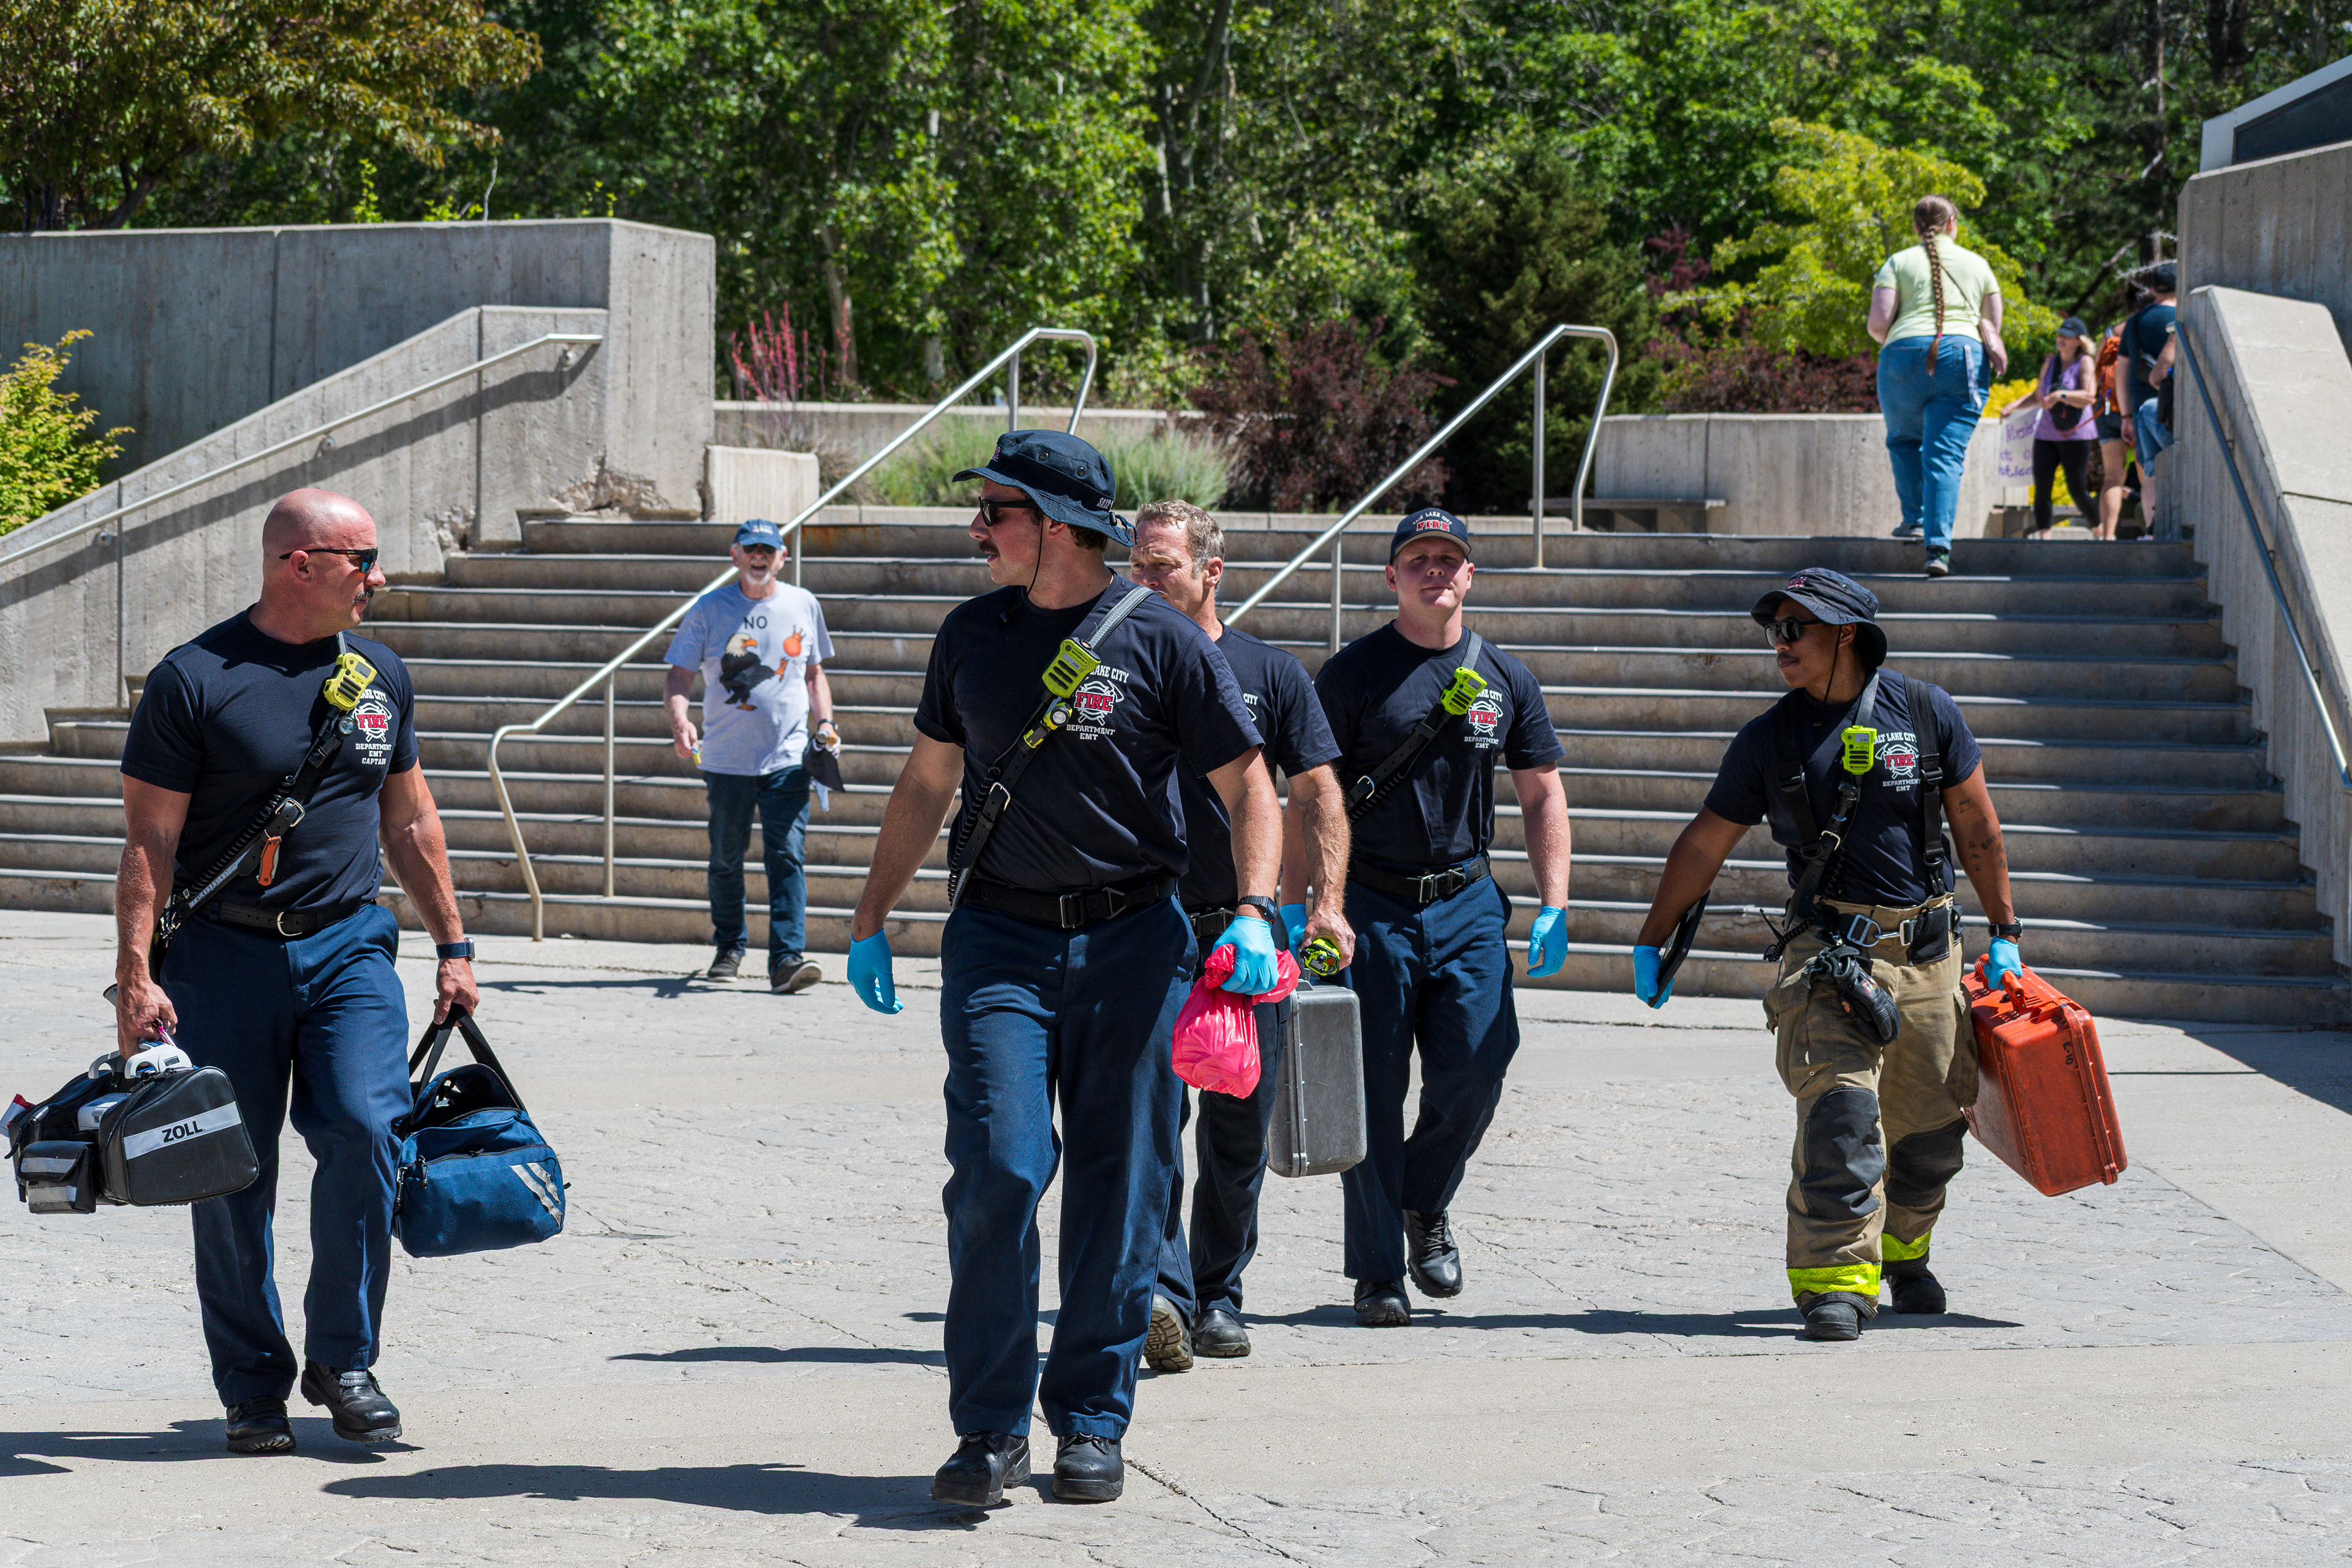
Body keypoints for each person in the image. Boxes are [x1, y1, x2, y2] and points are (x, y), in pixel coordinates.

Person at [841, 431, 1282, 1507]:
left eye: (994, 511)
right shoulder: (971, 636)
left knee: (1119, 1187)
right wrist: (867, 918)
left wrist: (1260, 912)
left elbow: (1250, 783)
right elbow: (924, 783)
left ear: (1055, 526)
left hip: (1138, 942)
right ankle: (989, 1429)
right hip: (1000, 940)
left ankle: (1090, 1417)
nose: (977, 529)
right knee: (998, 1168)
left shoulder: (1165, 644)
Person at [111, 487, 480, 1455]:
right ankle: (252, 1384)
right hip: (222, 953)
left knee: (368, 1130)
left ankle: (344, 1358)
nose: (379, 577)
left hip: (349, 942)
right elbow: (150, 838)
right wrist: (137, 975)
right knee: (230, 1172)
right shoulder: (194, 678)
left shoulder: (379, 674)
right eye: (364, 559)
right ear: (298, 565)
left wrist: (452, 945)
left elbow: (410, 819)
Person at [1629, 568, 2026, 1343]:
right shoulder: (1768, 738)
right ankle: (1834, 1284)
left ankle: (1902, 1254)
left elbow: (1978, 826)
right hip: (1829, 959)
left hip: (1928, 953)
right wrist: (1652, 940)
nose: (1778, 645)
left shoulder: (1926, 711)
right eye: (1772, 630)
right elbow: (1704, 843)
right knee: (1840, 1116)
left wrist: (2007, 931)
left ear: (1846, 633)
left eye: (1794, 629)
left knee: (1931, 1136)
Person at [1311, 508, 1572, 1329]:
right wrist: (1311, 903)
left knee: (1479, 1065)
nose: (1435, 572)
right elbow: (1315, 799)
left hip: (1465, 901)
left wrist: (1555, 901)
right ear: (1391, 577)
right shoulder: (1353, 675)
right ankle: (1377, 1272)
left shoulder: (1505, 677)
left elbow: (1541, 793)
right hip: (1374, 904)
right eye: (1418, 559)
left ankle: (1424, 1201)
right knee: (1374, 1088)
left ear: (1469, 576)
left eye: (1449, 560)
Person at [1123, 499, 1355, 1370]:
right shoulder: (1118, 658)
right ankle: (1164, 1294)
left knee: (1236, 1127)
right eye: (1136, 566)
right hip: (1142, 926)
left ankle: (1219, 1291)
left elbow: (1318, 792)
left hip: (1243, 934)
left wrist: (1325, 904)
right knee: (1149, 1119)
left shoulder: (1270, 671)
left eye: (1161, 567)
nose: (1143, 581)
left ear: (1210, 571)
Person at [664, 518, 837, 993]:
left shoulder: (804, 603)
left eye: (769, 549)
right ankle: (730, 946)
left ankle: (786, 959)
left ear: (782, 557)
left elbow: (813, 675)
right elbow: (679, 675)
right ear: (735, 555)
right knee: (725, 857)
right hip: (724, 761)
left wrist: (825, 724)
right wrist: (680, 720)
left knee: (787, 855)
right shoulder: (709, 608)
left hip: (788, 759)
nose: (760, 556)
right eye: (751, 548)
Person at [1868, 194, 2008, 578]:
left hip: (1902, 353)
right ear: (1953, 223)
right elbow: (1992, 327)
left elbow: (1878, 325)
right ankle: (1938, 549)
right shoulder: (1978, 265)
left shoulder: (1897, 262)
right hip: (1962, 358)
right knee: (1943, 455)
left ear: (1916, 227)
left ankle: (1913, 519)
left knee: (1903, 440)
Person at [1993, 317, 2097, 536]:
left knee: (2077, 489)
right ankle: (2044, 539)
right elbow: (2039, 396)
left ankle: (2101, 532)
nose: (2060, 340)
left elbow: (2090, 396)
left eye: (2066, 337)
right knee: (2042, 490)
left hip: (2076, 435)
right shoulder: (2050, 363)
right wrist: (2013, 406)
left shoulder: (2085, 362)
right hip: (2046, 434)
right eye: (2059, 335)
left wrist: (2062, 395)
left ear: (2078, 341)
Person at [2120, 264, 2180, 538]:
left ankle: (2152, 531)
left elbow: (2122, 371)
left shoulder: (2134, 322)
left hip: (2145, 409)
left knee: (2150, 473)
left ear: (2154, 289)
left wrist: (2125, 416)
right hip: (2178, 408)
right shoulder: (2183, 317)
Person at [2090, 292, 2143, 541]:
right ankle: (2152, 532)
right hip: (2135, 407)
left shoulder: (2112, 331)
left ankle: (2108, 536)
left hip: (2108, 408)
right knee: (2147, 472)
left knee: (2112, 476)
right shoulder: (2144, 327)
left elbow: (2096, 367)